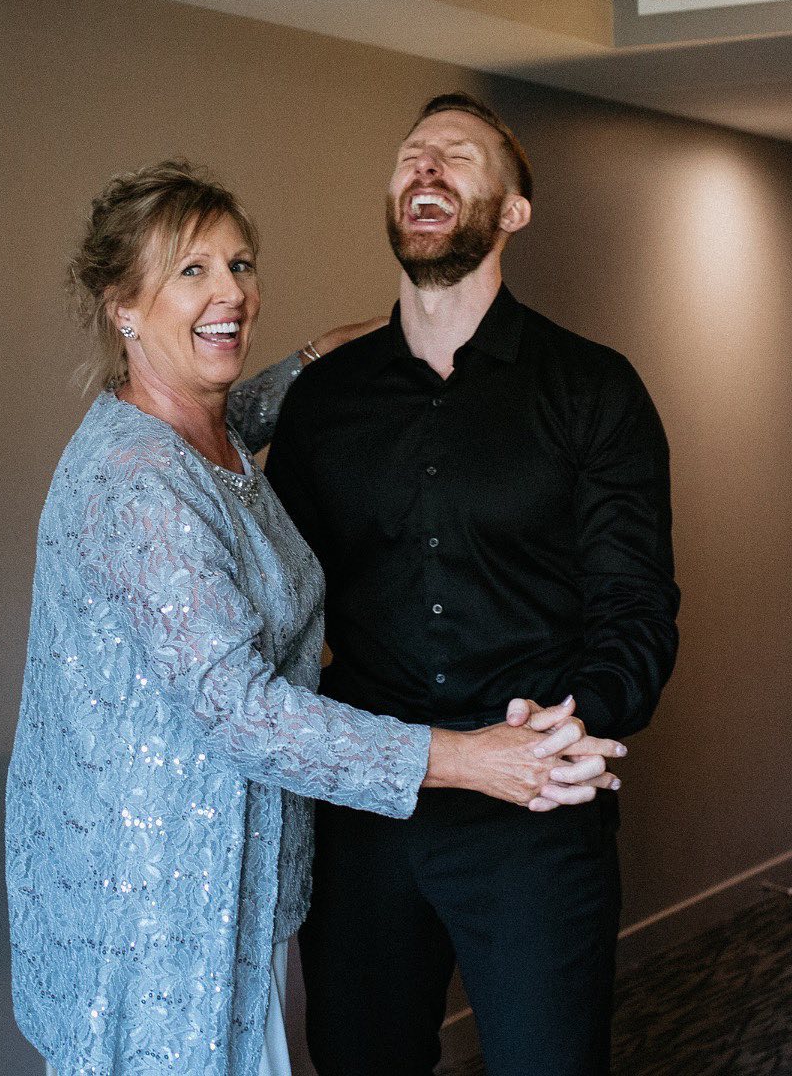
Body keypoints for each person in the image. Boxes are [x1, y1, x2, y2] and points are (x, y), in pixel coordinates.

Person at [4, 161, 627, 1076]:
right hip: (151, 901)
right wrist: (467, 757)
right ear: (121, 306)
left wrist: (306, 367)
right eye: (192, 271)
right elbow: (242, 711)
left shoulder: (200, 431)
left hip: (221, 879)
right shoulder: (137, 485)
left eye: (241, 265)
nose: (231, 293)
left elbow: (225, 443)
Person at [265, 94, 681, 1075]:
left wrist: (573, 727)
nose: (427, 168)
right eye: (412, 156)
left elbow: (636, 608)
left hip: (533, 811)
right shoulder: (325, 403)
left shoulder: (595, 389)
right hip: (368, 814)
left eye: (458, 155)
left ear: (514, 210)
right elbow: (278, 606)